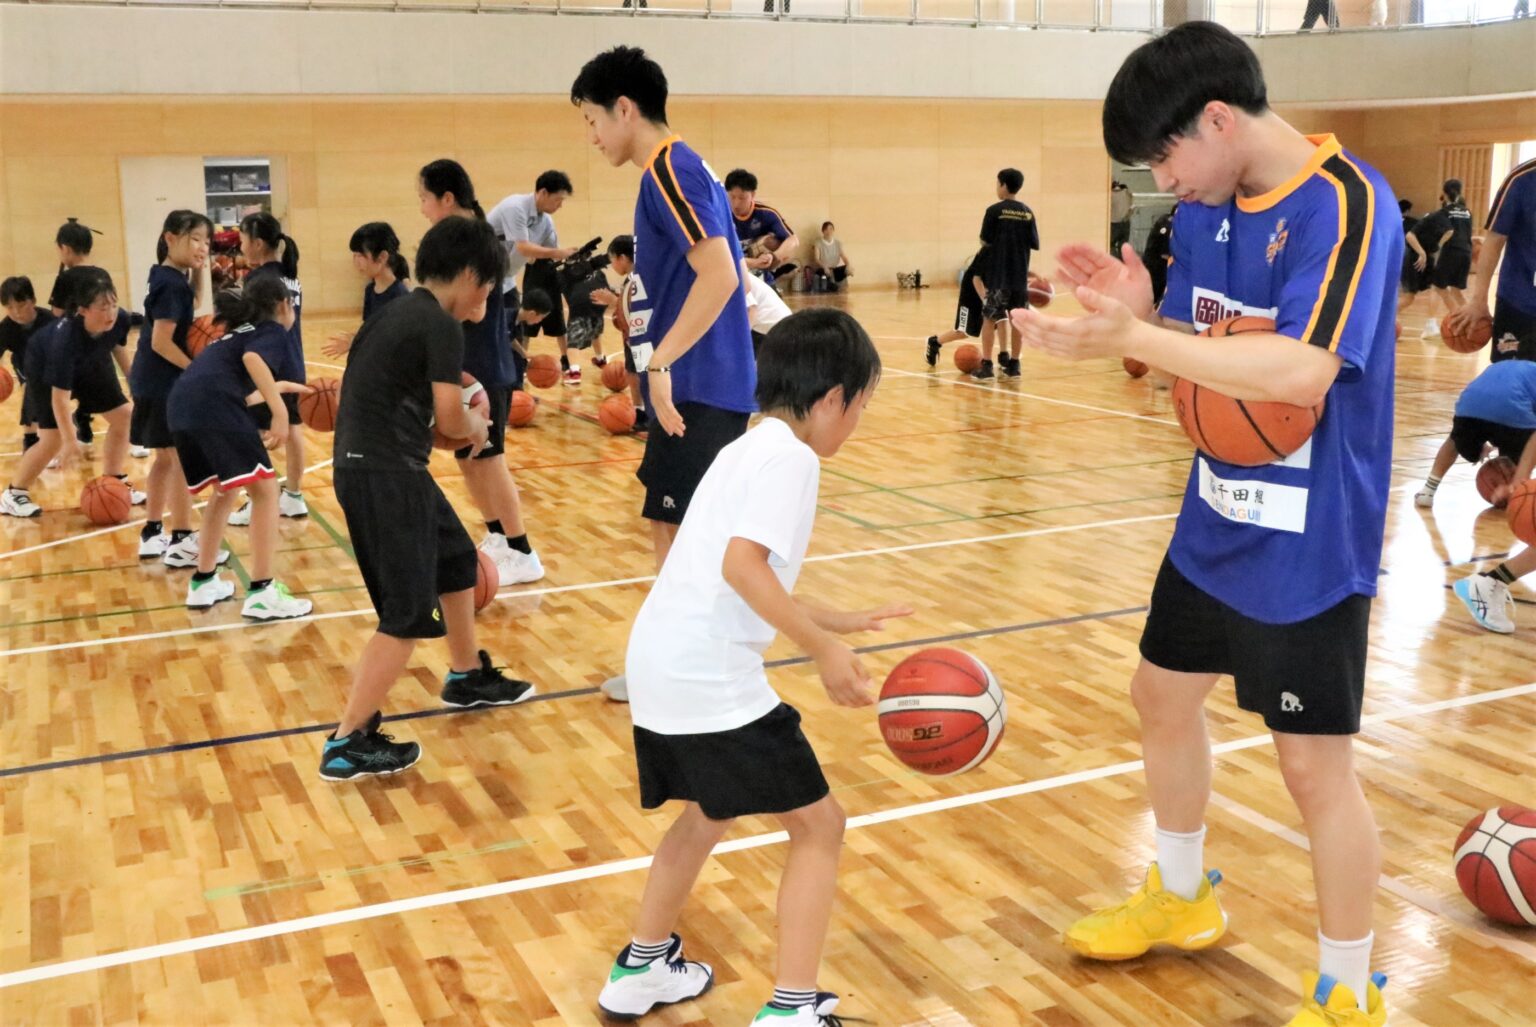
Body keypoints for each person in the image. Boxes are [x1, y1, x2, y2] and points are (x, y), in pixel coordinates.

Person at [1011, 23, 1399, 1027]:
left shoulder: (1345, 205)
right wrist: (1129, 319)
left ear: (1217, 120)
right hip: (1215, 512)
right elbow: (1194, 356)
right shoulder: (1200, 215)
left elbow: (1302, 372)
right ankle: (1182, 897)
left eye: (1166, 155)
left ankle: (1350, 989)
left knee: (1314, 768)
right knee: (1159, 694)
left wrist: (1139, 334)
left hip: (1309, 537)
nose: (1162, 180)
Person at [595, 308, 907, 1026]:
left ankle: (640, 969)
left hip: (660, 662)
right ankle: (793, 1007)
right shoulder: (792, 459)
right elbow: (742, 568)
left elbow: (740, 569)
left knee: (709, 810)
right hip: (708, 677)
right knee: (820, 825)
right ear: (832, 398)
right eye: (861, 406)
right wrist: (824, 650)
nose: (856, 422)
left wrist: (841, 619)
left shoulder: (747, 446)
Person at [572, 46, 758, 705]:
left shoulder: (669, 170)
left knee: (683, 530)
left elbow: (721, 275)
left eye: (593, 119)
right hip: (704, 381)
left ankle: (686, 670)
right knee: (671, 524)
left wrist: (661, 363)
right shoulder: (675, 169)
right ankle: (681, 662)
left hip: (701, 382)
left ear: (624, 109)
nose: (591, 136)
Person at [322, 215, 537, 781]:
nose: (488, 299)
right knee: (408, 615)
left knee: (457, 559)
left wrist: (461, 427)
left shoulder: (397, 315)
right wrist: (475, 422)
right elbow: (450, 421)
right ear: (470, 276)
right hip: (385, 476)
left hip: (383, 468)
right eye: (488, 287)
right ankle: (347, 740)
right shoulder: (441, 327)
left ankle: (466, 676)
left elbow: (428, 428)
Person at [420, 159, 545, 586]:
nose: (422, 208)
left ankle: (522, 549)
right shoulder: (460, 239)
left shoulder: (477, 240)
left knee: (490, 458)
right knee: (470, 458)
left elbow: (474, 309)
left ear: (447, 198)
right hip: (463, 363)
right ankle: (497, 536)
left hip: (484, 365)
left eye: (424, 198)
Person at [168, 280, 312, 619]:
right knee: (265, 491)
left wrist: (282, 388)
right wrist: (279, 412)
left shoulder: (237, 333)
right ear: (282, 305)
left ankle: (203, 582)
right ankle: (263, 592)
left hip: (183, 405)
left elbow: (238, 384)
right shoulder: (272, 331)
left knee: (224, 490)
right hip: (214, 405)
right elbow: (253, 360)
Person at [0, 269, 144, 517]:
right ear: (82, 310)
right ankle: (13, 494)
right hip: (43, 364)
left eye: (113, 304)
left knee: (125, 418)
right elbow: (60, 397)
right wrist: (69, 440)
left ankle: (115, 479)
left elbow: (118, 349)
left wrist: (136, 386)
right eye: (102, 307)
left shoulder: (120, 319)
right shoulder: (65, 340)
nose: (110, 313)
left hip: (89, 362)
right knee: (51, 439)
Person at [130, 210, 228, 571]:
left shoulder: (166, 275)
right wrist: (196, 369)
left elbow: (195, 301)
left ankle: (153, 531)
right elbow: (160, 342)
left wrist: (201, 267)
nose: (203, 246)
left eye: (207, 240)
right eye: (195, 239)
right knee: (180, 462)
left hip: (150, 381)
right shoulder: (171, 284)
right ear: (170, 238)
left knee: (163, 459)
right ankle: (183, 539)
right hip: (161, 381)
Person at [1415, 359, 1536, 632]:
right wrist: (1520, 481)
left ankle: (1428, 489)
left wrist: (1519, 482)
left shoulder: (1517, 370)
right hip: (1512, 408)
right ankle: (1490, 583)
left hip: (1469, 406)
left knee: (1456, 441)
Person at [227, 213, 308, 524]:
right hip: (294, 361)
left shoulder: (258, 280)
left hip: (267, 364)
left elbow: (251, 327)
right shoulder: (290, 277)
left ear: (258, 243)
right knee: (294, 429)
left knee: (251, 431)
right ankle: (294, 496)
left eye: (243, 240)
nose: (241, 246)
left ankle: (259, 499)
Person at [487, 172, 581, 383]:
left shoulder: (546, 222)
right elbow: (524, 247)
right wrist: (559, 253)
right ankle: (492, 386)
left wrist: (573, 261)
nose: (560, 205)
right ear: (543, 193)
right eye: (558, 200)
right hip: (484, 280)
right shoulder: (515, 207)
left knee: (515, 331)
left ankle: (516, 389)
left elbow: (550, 254)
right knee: (490, 334)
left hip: (507, 280)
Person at [1447, 154, 1536, 363]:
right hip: (1519, 301)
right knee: (1509, 380)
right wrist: (1478, 300)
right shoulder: (1522, 179)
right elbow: (1494, 240)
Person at [974, 168, 1040, 380]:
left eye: (997, 184)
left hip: (998, 275)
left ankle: (986, 364)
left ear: (1003, 185)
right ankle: (1014, 363)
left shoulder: (994, 211)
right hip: (1019, 278)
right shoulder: (1027, 212)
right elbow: (1034, 243)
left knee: (989, 318)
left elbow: (985, 241)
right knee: (1017, 320)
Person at [49, 218, 105, 448]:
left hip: (71, 343)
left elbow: (57, 312)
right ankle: (84, 416)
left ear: (66, 249)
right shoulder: (102, 274)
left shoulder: (65, 278)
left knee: (62, 390)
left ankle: (60, 434)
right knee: (97, 385)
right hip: (99, 341)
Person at [321, 222, 412, 359]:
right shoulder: (370, 290)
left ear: (382, 257)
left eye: (361, 255)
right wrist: (355, 337)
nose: (356, 262)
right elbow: (369, 328)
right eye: (355, 255)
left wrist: (354, 342)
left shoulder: (399, 296)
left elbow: (394, 341)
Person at [589, 236, 648, 422]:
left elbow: (629, 310)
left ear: (622, 258)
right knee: (638, 372)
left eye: (612, 260)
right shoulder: (642, 274)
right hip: (640, 333)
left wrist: (613, 302)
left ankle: (642, 412)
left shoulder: (633, 280)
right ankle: (644, 410)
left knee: (638, 373)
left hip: (638, 335)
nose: (612, 265)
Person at [0, 276, 57, 453]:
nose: (16, 312)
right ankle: (30, 437)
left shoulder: (50, 321)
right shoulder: (6, 328)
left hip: (54, 364)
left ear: (32, 300)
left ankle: (82, 415)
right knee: (33, 387)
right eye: (10, 308)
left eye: (21, 305)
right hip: (24, 363)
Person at [1407, 180, 1475, 324]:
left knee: (1437, 287)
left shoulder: (1444, 213)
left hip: (1452, 252)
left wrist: (1438, 245)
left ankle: (1440, 323)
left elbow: (1449, 231)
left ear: (1444, 194)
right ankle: (1472, 321)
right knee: (1456, 291)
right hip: (1466, 253)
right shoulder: (1467, 212)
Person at [725, 169, 800, 288]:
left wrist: (774, 256)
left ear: (753, 195)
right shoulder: (720, 215)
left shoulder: (766, 214)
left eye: (742, 198)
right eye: (732, 197)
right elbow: (721, 258)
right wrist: (753, 263)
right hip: (733, 280)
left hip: (763, 280)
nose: (736, 204)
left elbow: (793, 240)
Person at [924, 249, 988, 367]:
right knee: (962, 331)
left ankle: (990, 359)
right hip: (971, 290)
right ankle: (934, 342)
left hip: (988, 288)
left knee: (995, 323)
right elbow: (976, 278)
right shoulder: (989, 248)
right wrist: (985, 299)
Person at [1142, 208, 1174, 307]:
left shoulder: (1163, 221)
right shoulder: (1167, 227)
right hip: (1157, 268)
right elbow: (1164, 254)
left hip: (1151, 265)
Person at [811, 222, 852, 292]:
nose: (828, 231)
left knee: (848, 270)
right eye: (826, 229)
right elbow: (816, 259)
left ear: (833, 230)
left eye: (830, 229)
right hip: (824, 270)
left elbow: (844, 257)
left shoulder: (838, 243)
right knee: (826, 284)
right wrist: (825, 267)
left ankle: (838, 285)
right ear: (823, 231)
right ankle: (831, 286)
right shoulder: (818, 242)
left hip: (834, 269)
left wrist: (848, 265)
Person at [1110, 180, 1135, 254]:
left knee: (1111, 245)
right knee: (1123, 246)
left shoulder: (1110, 194)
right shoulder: (1127, 193)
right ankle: (1122, 261)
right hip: (1125, 222)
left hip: (1113, 223)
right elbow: (1132, 206)